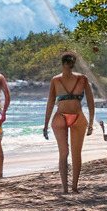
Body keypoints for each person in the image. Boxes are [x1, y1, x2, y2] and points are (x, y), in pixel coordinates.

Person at [43, 51, 95, 193]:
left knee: (64, 153)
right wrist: (91, 123)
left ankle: (66, 188)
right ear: (73, 63)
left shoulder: (56, 80)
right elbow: (91, 103)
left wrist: (46, 125)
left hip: (60, 116)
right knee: (76, 154)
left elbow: (50, 103)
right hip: (78, 116)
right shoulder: (82, 79)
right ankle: (74, 187)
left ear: (63, 63)